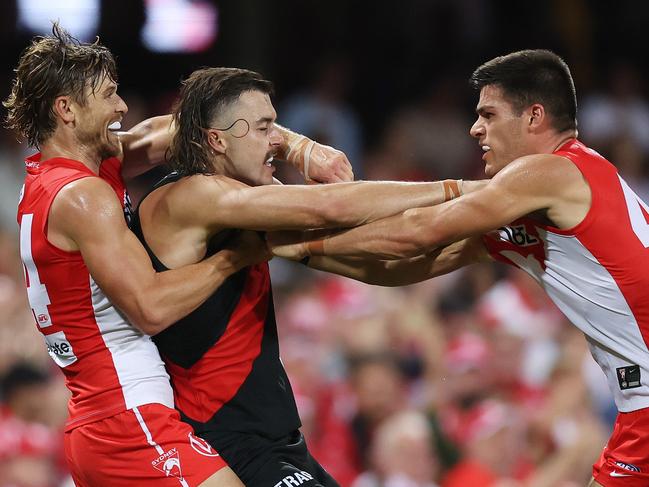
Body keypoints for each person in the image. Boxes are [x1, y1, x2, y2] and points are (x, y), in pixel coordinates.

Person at [270, 49, 649, 487]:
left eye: (488, 114)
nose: (475, 129)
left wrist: (294, 239)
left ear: (534, 116)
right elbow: (404, 266)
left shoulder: (553, 171)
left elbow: (418, 231)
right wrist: (303, 250)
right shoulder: (545, 203)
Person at [130, 66, 474, 487]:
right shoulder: (191, 196)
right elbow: (327, 206)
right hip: (224, 442)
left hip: (275, 441)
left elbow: (378, 256)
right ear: (216, 140)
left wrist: (479, 245)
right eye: (262, 127)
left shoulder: (246, 202)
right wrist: (465, 191)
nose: (278, 139)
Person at [4, 24, 273, 487]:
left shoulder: (52, 179)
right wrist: (234, 257)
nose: (122, 106)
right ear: (66, 109)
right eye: (109, 95)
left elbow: (176, 130)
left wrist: (300, 147)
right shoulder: (82, 194)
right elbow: (149, 308)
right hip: (126, 417)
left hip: (97, 419)